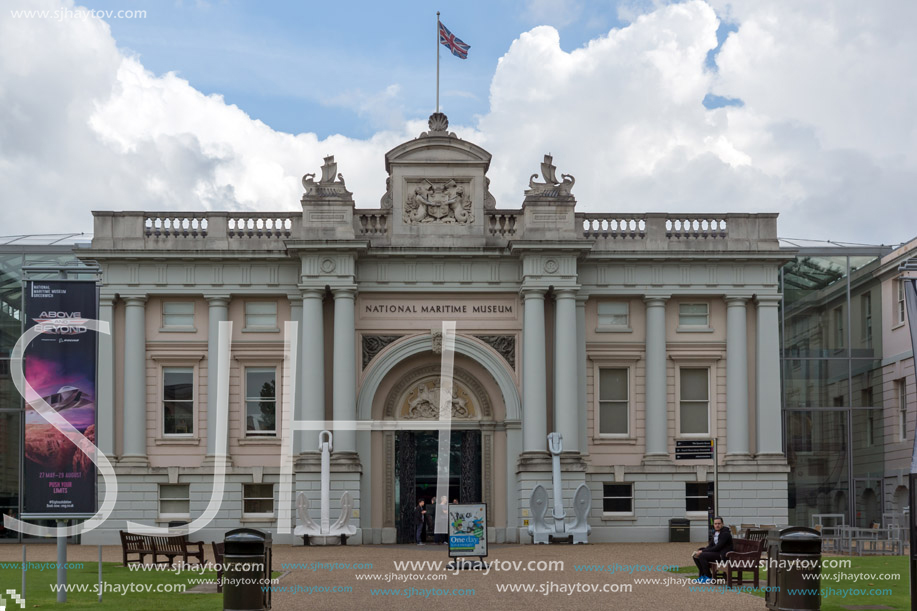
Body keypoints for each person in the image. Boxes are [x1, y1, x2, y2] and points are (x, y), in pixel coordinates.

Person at [693, 516, 732, 583]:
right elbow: (710, 545)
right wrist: (700, 550)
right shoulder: (715, 533)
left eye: (719, 523)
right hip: (716, 553)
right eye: (715, 524)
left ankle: (709, 577)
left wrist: (702, 551)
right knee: (695, 555)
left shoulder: (725, 534)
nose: (717, 525)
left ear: (722, 524)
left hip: (723, 555)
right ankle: (703, 576)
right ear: (713, 524)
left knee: (702, 555)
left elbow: (718, 547)